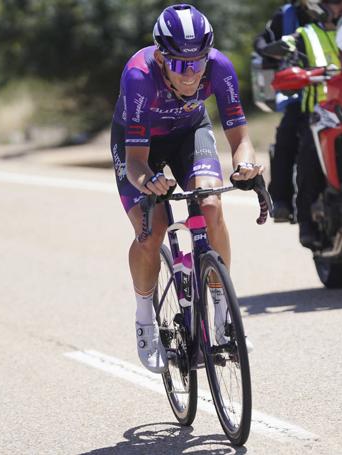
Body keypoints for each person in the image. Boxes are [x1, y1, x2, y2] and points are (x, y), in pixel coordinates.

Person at [110, 4, 263, 373]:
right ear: (162, 58)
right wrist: (148, 180)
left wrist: (244, 163)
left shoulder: (220, 68)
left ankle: (223, 313)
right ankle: (145, 319)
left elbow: (241, 138)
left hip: (190, 134)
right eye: (181, 64)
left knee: (210, 205)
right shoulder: (138, 76)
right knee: (153, 230)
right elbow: (135, 162)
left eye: (198, 62)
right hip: (139, 147)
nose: (192, 73)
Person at [279, 0, 342, 248]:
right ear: (321, 6)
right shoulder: (306, 35)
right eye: (337, 2)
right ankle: (307, 221)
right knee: (309, 152)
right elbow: (287, 62)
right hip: (321, 112)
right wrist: (294, 69)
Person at [253, 1, 314, 222]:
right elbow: (262, 39)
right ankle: (282, 200)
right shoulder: (287, 15)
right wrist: (268, 50)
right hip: (302, 95)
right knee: (287, 135)